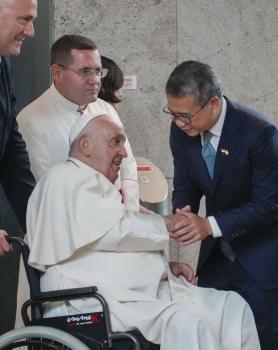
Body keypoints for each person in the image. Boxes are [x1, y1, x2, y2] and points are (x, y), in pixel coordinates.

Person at [26, 112, 260, 350]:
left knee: (232, 307)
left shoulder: (87, 180)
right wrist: (167, 224)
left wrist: (163, 269)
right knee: (189, 324)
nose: (124, 152)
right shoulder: (66, 178)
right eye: (115, 142)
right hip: (88, 302)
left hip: (124, 293)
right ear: (85, 145)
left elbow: (106, 243)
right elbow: (116, 231)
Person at [166, 60, 278, 350]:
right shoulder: (181, 131)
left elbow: (269, 205)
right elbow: (186, 184)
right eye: (173, 113)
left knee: (257, 338)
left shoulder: (259, 132)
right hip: (218, 253)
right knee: (208, 332)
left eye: (185, 116)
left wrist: (208, 225)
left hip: (263, 251)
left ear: (213, 104)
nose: (179, 123)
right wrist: (182, 212)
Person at [17, 34, 140, 211]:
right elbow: (45, 190)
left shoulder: (106, 109)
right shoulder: (31, 120)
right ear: (57, 73)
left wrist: (131, 211)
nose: (95, 80)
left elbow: (128, 166)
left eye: (98, 71)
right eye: (85, 71)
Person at [0, 0, 37, 333]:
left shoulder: (3, 65)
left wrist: (40, 217)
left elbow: (12, 151)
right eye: (24, 20)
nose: (31, 31)